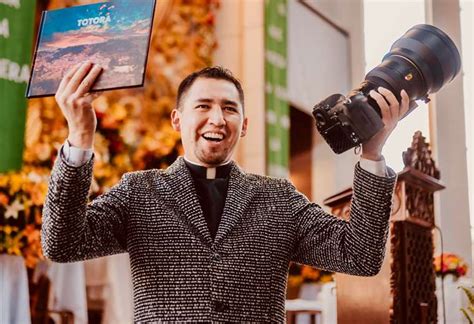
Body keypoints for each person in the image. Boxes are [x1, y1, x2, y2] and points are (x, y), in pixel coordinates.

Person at [42, 63, 409, 322]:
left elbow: (358, 255)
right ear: (177, 120)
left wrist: (373, 154)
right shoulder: (139, 192)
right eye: (203, 106)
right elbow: (63, 244)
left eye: (229, 109)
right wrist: (80, 138)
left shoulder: (277, 198)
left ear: (244, 125)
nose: (217, 119)